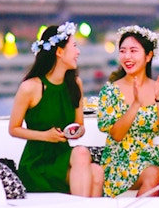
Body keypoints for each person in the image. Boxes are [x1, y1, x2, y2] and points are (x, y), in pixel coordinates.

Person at [8, 22, 103, 197]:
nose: (78, 52)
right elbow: (13, 129)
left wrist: (75, 131)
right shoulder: (30, 87)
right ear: (59, 52)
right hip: (38, 163)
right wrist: (45, 135)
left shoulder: (75, 84)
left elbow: (80, 125)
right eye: (74, 46)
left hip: (63, 155)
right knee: (82, 154)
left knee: (97, 171)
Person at [97, 25, 159, 197]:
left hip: (154, 156)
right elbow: (116, 135)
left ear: (148, 55)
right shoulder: (111, 91)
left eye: (133, 51)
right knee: (154, 173)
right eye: (123, 51)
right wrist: (135, 104)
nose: (127, 56)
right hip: (122, 159)